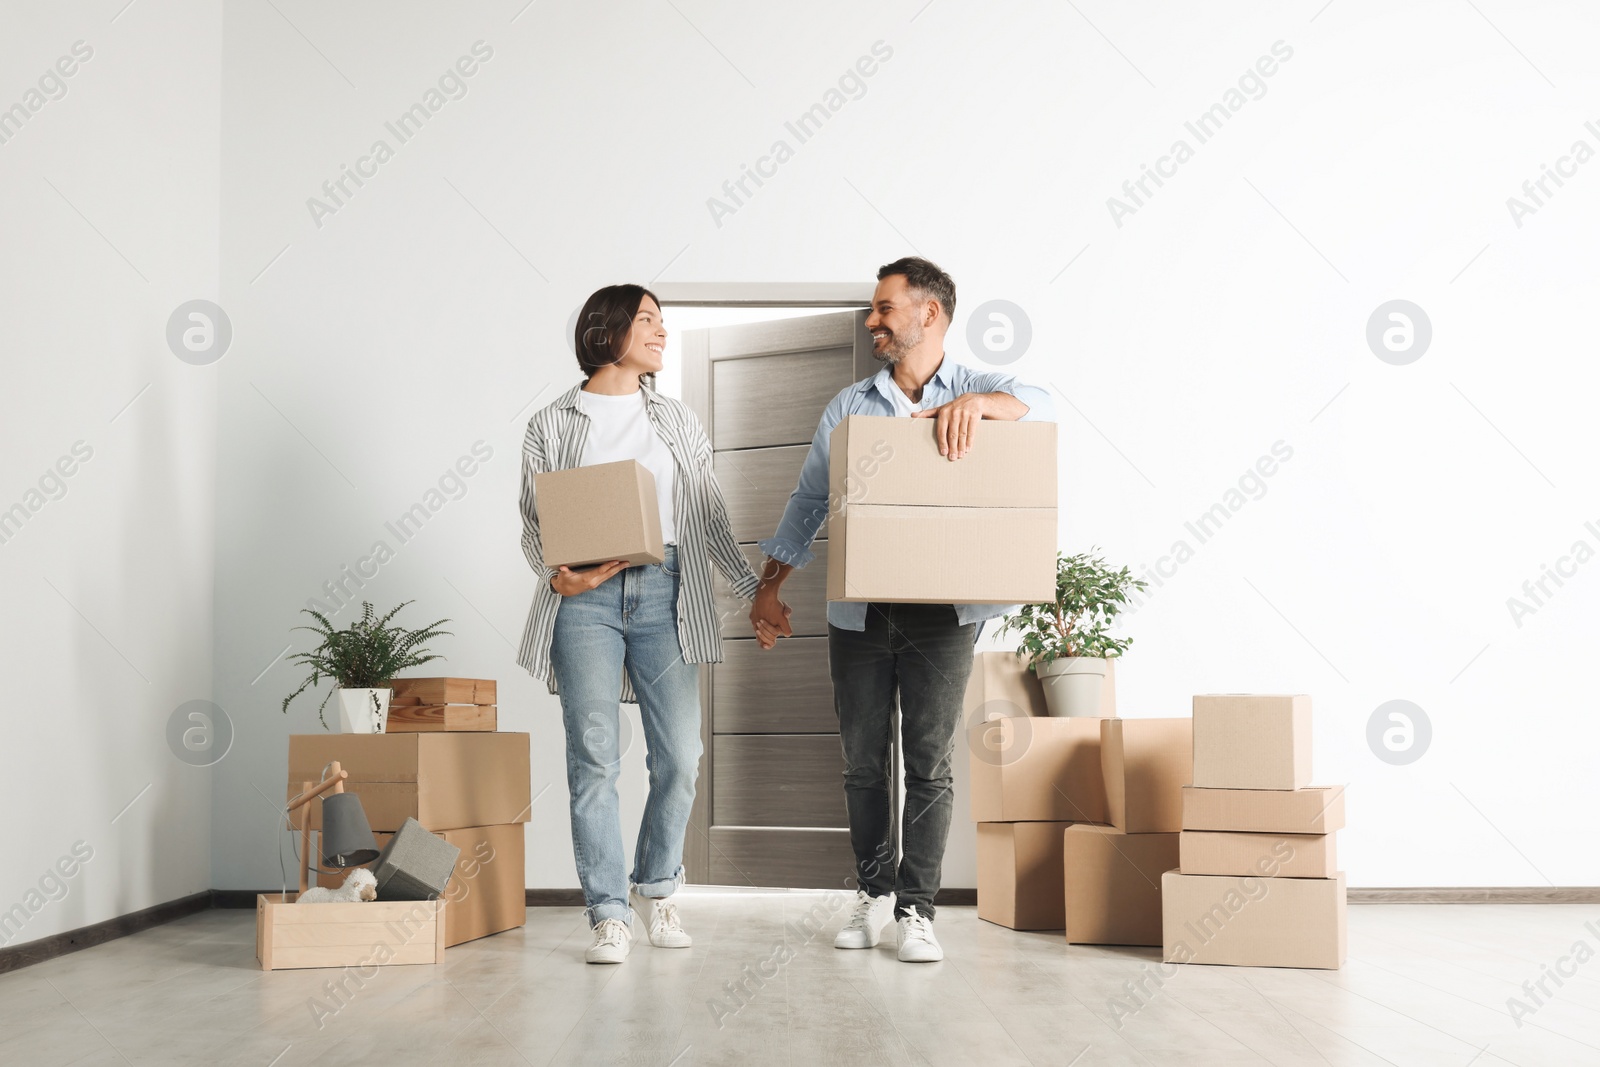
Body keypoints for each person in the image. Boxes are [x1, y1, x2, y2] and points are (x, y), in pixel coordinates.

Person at [749, 257, 1056, 962]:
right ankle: (873, 892)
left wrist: (981, 406)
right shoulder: (849, 405)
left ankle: (917, 909)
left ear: (931, 314)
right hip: (858, 609)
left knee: (929, 761)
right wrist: (770, 584)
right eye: (873, 310)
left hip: (946, 611)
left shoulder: (982, 386)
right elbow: (807, 501)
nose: (872, 322)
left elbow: (1036, 398)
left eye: (885, 308)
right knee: (862, 761)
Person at [517, 284, 779, 964]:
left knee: (681, 757)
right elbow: (533, 521)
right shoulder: (552, 422)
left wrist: (755, 592)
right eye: (647, 320)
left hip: (667, 588)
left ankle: (655, 886)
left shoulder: (678, 421)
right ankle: (608, 912)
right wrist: (558, 575)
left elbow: (709, 516)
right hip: (586, 600)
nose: (661, 332)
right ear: (607, 330)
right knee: (594, 758)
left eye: (664, 321)